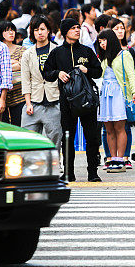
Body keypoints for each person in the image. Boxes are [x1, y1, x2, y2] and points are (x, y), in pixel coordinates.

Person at [43, 18, 103, 182]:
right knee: (68, 137)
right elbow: (46, 73)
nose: (77, 30)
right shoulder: (56, 52)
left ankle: (93, 173)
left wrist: (87, 70)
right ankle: (69, 173)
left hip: (86, 99)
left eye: (78, 27)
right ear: (64, 32)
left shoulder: (86, 51)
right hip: (67, 100)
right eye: (73, 28)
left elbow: (98, 71)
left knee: (91, 137)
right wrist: (58, 73)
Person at [95, 29, 135, 173]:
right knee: (108, 128)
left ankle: (121, 159)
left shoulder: (124, 55)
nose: (101, 44)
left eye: (104, 40)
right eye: (99, 41)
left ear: (111, 40)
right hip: (105, 93)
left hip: (119, 93)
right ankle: (112, 158)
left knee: (120, 127)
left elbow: (131, 75)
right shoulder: (103, 57)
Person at [20, 15, 62, 151]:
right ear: (32, 32)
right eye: (36, 29)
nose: (40, 32)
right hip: (34, 102)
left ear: (49, 30)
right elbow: (25, 80)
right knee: (27, 140)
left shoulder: (57, 50)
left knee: (55, 139)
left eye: (43, 29)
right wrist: (28, 103)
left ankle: (55, 164)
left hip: (54, 101)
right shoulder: (27, 54)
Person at [0, 20, 26, 126]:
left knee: (18, 126)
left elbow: (22, 66)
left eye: (13, 30)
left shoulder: (22, 49)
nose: (11, 33)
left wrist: (5, 66)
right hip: (0, 96)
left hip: (19, 96)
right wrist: (13, 63)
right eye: (7, 31)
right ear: (1, 33)